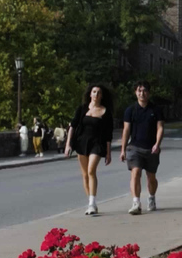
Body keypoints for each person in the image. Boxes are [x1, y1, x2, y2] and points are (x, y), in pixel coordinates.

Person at [65, 85, 114, 215]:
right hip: (81, 143)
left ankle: (92, 203)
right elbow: (73, 126)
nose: (96, 94)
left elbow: (109, 134)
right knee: (85, 174)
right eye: (94, 92)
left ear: (102, 96)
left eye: (99, 92)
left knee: (91, 170)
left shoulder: (105, 111)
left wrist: (108, 153)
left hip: (97, 143)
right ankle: (91, 202)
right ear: (90, 94)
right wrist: (68, 144)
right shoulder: (82, 109)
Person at [120, 81, 165, 215]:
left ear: (149, 93)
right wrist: (123, 149)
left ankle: (151, 197)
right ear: (135, 92)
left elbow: (160, 127)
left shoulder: (156, 110)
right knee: (136, 172)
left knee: (151, 177)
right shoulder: (130, 110)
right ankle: (136, 202)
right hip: (134, 147)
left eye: (144, 91)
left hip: (151, 148)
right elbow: (126, 130)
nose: (142, 93)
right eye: (139, 91)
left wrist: (157, 144)